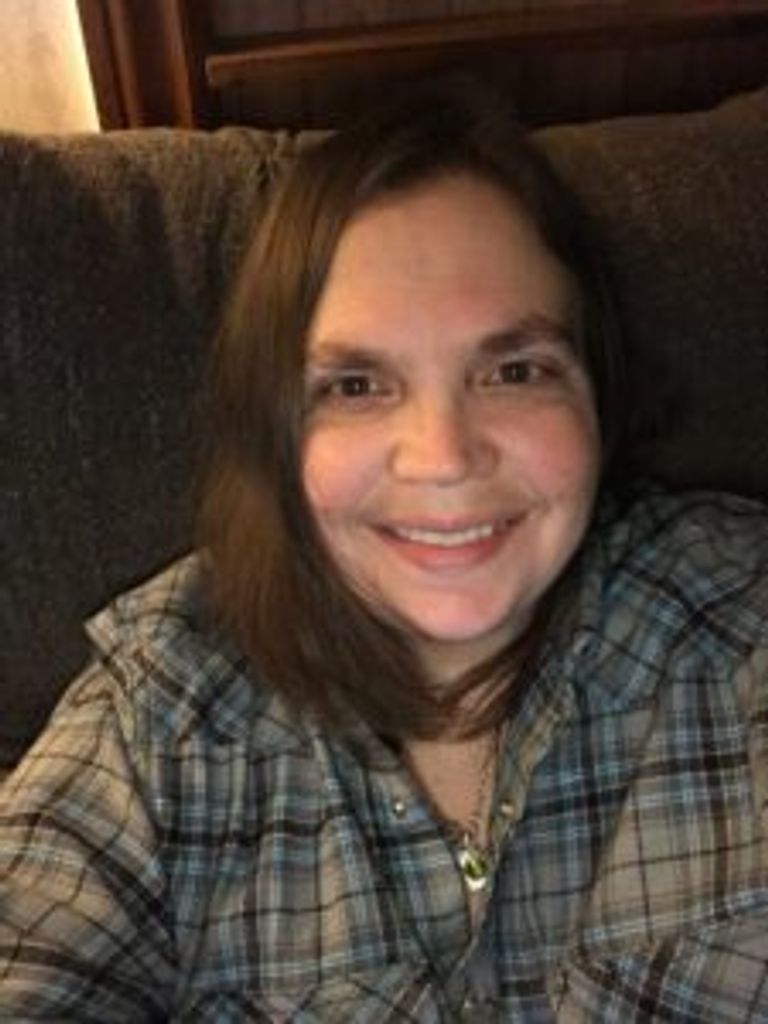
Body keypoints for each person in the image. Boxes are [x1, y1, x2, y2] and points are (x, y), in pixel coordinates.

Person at [1, 81, 768, 1022]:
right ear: (276, 430)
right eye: (357, 386)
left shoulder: (738, 620)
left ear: (596, 397)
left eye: (514, 370)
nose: (443, 458)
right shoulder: (161, 710)